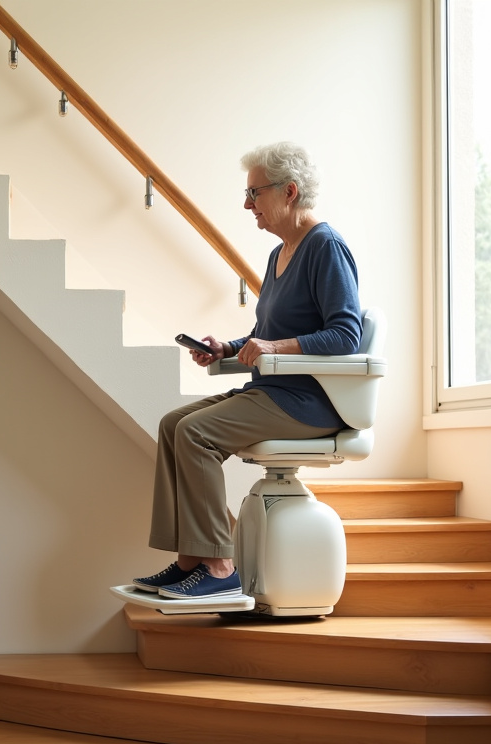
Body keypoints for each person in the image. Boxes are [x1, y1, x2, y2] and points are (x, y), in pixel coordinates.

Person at [132, 141, 362, 600]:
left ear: (289, 191)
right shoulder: (280, 253)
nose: (246, 204)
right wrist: (227, 349)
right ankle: (190, 561)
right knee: (173, 424)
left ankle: (219, 567)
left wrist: (273, 345)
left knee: (196, 434)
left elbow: (346, 335)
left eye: (254, 193)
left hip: (310, 402)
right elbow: (265, 332)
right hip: (272, 393)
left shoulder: (325, 247)